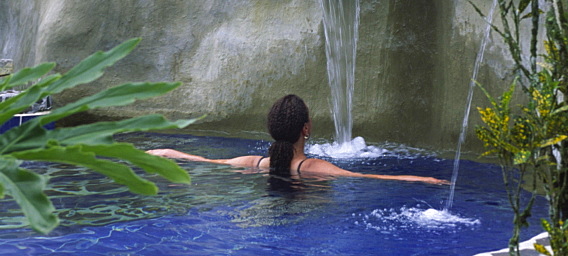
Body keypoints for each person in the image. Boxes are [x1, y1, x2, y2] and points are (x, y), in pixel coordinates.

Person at [148, 93, 448, 184]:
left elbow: (204, 160)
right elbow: (369, 177)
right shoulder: (316, 168)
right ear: (307, 128)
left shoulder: (255, 162)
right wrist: (430, 181)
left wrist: (162, 152)